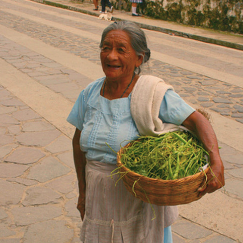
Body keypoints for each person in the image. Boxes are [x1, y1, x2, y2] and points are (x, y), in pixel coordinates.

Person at [67, 20, 225, 242]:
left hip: (137, 200)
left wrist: (216, 162)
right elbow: (77, 144)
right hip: (98, 198)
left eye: (121, 50)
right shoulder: (89, 94)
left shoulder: (151, 93)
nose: (111, 56)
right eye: (105, 48)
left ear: (139, 58)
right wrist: (83, 193)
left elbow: (197, 120)